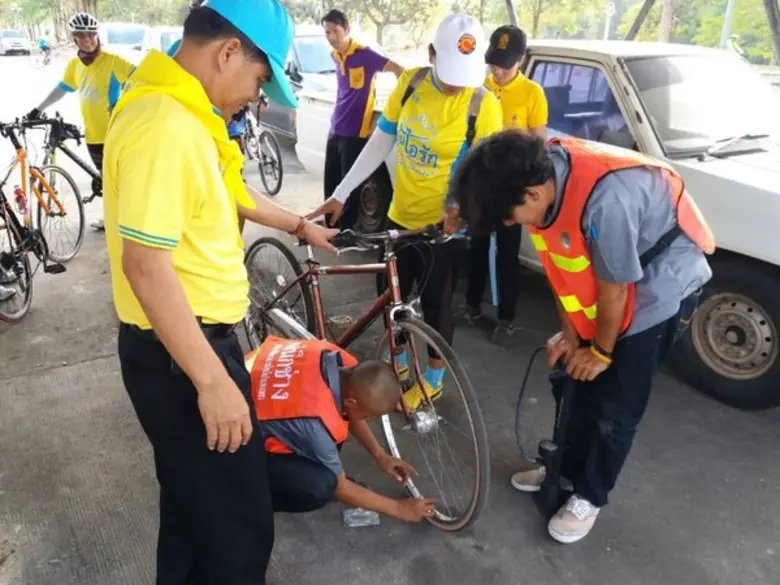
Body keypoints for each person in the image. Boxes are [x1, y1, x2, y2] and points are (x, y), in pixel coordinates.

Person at [102, 1, 338, 583]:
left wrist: (301, 226)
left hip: (183, 351)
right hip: (184, 358)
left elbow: (233, 191)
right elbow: (146, 267)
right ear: (228, 51)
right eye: (260, 79)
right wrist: (212, 381)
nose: (256, 97)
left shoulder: (187, 109)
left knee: (192, 512)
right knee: (237, 533)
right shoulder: (166, 123)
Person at [449, 131, 714, 544]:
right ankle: (564, 468)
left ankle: (590, 495)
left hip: (659, 288)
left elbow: (616, 287)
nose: (506, 223)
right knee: (572, 378)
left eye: (506, 215)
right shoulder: (540, 191)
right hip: (615, 282)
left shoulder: (606, 200)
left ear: (533, 194)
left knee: (616, 407)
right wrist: (572, 336)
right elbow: (561, 269)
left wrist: (602, 352)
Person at [310, 14, 503, 411]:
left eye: (464, 77)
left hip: (445, 227)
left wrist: (462, 212)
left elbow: (486, 176)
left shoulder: (484, 105)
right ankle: (398, 363)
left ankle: (432, 378)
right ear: (431, 55)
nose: (456, 86)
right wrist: (342, 194)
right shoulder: (411, 85)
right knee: (389, 296)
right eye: (449, 73)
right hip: (401, 215)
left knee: (436, 303)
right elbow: (381, 143)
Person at [246, 336, 436, 521]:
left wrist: (380, 455)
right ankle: (245, 500)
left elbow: (351, 411)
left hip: (247, 376)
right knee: (320, 485)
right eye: (368, 416)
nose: (368, 420)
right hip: (235, 441)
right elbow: (341, 487)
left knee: (337, 427)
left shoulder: (338, 359)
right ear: (351, 402)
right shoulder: (315, 420)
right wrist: (399, 509)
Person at [462, 25, 548, 343]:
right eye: (493, 63)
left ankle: (506, 317)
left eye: (505, 64)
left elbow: (539, 143)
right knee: (477, 247)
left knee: (506, 256)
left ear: (521, 60)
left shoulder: (532, 94)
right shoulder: (478, 88)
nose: (497, 71)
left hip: (511, 192)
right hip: (482, 189)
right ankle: (471, 304)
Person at [27, 13, 134, 232]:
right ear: (74, 38)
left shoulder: (113, 61)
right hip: (93, 134)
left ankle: (125, 224)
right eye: (81, 35)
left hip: (115, 133)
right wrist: (39, 108)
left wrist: (125, 105)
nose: (87, 39)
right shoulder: (75, 65)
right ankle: (114, 219)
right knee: (107, 181)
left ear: (97, 35)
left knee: (119, 182)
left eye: (91, 34)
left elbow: (140, 80)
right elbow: (62, 88)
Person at [320, 9, 403, 229]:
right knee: (331, 181)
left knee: (350, 185)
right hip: (335, 128)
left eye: (335, 31)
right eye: (327, 32)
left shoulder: (365, 54)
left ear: (346, 29)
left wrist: (401, 103)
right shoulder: (335, 56)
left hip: (355, 133)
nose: (331, 37)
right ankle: (331, 227)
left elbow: (398, 71)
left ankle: (347, 230)